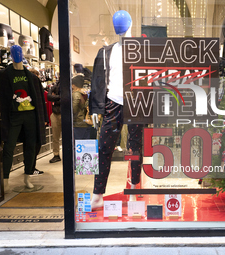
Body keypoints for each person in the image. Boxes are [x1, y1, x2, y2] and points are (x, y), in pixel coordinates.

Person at [89, 10, 143, 209]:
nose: (118, 26)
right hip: (112, 103)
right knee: (104, 147)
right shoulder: (105, 52)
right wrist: (96, 107)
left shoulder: (141, 49)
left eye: (122, 22)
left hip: (136, 103)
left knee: (135, 147)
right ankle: (98, 194)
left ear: (129, 24)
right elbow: (97, 80)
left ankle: (134, 190)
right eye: (115, 23)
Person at [0, 45, 41, 192]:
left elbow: (39, 99)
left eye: (19, 52)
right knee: (9, 146)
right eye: (14, 52)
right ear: (11, 55)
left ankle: (27, 177)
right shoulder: (4, 74)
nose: (17, 55)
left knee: (30, 146)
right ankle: (5, 179)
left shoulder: (32, 77)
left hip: (30, 115)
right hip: (13, 116)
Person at [26, 68, 49, 175]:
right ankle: (30, 167)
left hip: (30, 119)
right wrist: (44, 119)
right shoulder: (35, 82)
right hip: (36, 119)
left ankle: (29, 166)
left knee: (31, 144)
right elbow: (41, 103)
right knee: (36, 144)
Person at [72, 75, 92, 139]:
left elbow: (74, 109)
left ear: (74, 85)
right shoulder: (86, 93)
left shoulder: (76, 94)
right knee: (85, 143)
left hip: (78, 122)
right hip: (86, 121)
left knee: (78, 143)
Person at [47, 78, 62, 163]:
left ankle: (63, 154)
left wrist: (55, 98)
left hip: (64, 114)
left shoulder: (68, 86)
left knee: (66, 137)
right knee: (55, 137)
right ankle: (56, 155)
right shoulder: (54, 86)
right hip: (55, 114)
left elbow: (66, 99)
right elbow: (49, 97)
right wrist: (59, 98)